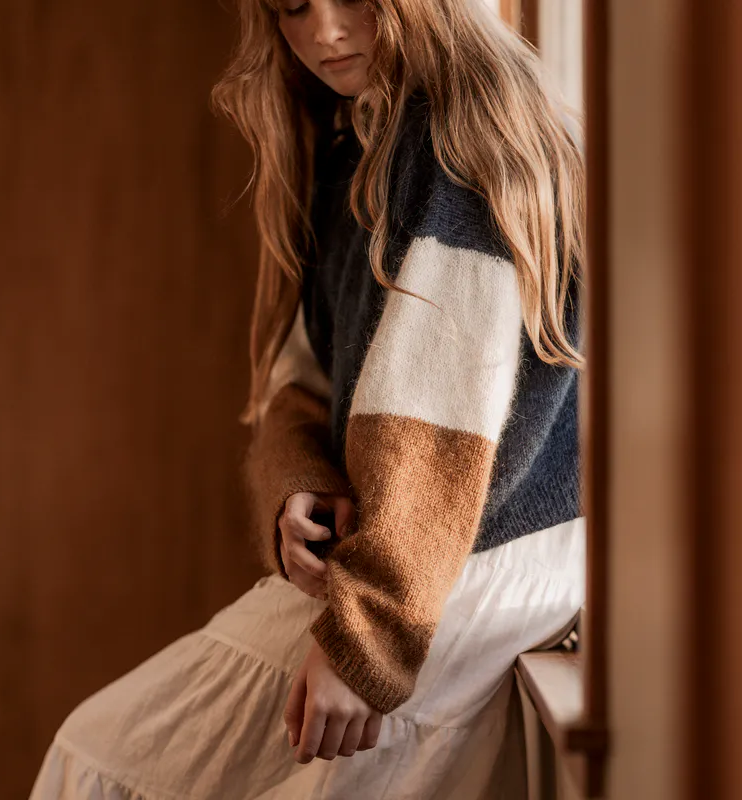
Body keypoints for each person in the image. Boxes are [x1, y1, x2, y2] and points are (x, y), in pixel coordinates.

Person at [30, 0, 587, 798]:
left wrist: (366, 642)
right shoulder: (353, 147)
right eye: (293, 5)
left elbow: (439, 422)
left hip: (463, 565)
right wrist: (297, 485)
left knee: (100, 765)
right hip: (404, 558)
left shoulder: (457, 137)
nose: (324, 31)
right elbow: (299, 381)